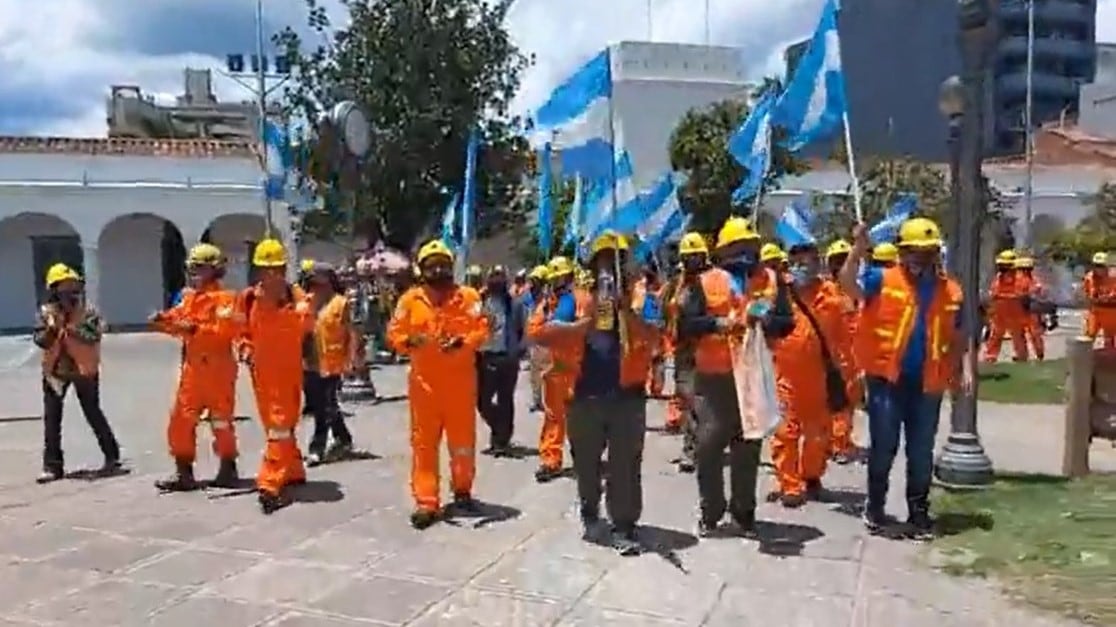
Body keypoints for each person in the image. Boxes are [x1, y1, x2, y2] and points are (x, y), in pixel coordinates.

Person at [837, 218, 970, 540]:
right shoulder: (880, 279)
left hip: (929, 383)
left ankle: (919, 512)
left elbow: (960, 336)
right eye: (913, 252)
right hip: (886, 381)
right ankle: (876, 507)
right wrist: (857, 248)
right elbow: (847, 285)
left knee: (921, 451)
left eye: (927, 252)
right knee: (884, 447)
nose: (920, 259)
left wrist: (964, 370)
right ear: (901, 252)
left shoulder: (950, 290)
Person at [529, 232, 658, 555]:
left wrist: (626, 311)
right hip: (584, 395)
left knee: (625, 464)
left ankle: (624, 525)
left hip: (627, 395)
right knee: (586, 463)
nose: (609, 268)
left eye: (615, 260)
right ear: (593, 264)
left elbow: (658, 334)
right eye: (603, 260)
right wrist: (580, 326)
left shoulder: (641, 296)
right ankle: (589, 508)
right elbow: (542, 332)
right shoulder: (576, 297)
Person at [677, 218, 794, 536]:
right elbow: (686, 325)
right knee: (708, 445)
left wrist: (767, 318)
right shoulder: (705, 282)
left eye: (749, 247)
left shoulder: (771, 280)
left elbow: (787, 322)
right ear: (723, 250)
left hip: (754, 377)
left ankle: (744, 515)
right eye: (737, 247)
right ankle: (711, 512)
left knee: (748, 448)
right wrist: (717, 325)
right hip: (715, 378)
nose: (744, 253)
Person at [387, 240, 489, 529]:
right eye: (432, 265)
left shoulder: (468, 297)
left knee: (463, 446)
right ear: (422, 269)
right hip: (424, 388)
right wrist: (409, 341)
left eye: (443, 264)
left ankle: (462, 492)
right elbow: (394, 334)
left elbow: (481, 329)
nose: (439, 269)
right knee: (424, 447)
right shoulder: (409, 300)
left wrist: (463, 342)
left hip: (460, 385)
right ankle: (426, 502)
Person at [150, 243, 240, 491]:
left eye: (200, 268)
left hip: (218, 368)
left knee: (221, 421)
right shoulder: (189, 298)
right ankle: (183, 472)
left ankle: (228, 467)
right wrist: (162, 320)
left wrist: (191, 330)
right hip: (193, 370)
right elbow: (176, 320)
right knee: (181, 420)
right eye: (192, 269)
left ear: (215, 270)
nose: (194, 274)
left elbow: (223, 333)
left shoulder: (226, 299)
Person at [236, 239, 314, 514]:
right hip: (261, 373)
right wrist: (245, 347)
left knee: (280, 425)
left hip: (287, 372)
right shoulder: (248, 298)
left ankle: (269, 484)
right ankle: (293, 470)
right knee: (275, 425)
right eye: (267, 269)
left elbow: (307, 325)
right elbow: (243, 330)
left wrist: (292, 309)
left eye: (277, 269)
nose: (273, 275)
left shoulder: (296, 297)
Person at [770, 240, 846, 507]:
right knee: (785, 432)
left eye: (807, 261)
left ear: (818, 264)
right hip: (784, 375)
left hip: (820, 377)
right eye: (797, 262)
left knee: (818, 433)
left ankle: (811, 477)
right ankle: (790, 486)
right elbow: (758, 312)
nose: (802, 267)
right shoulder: (780, 292)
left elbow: (844, 329)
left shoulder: (831, 294)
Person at [32, 264, 125, 484]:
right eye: (63, 287)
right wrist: (52, 329)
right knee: (52, 420)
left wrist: (69, 327)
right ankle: (52, 466)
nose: (69, 291)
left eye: (73, 286)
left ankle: (112, 456)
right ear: (54, 289)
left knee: (93, 412)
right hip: (56, 372)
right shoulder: (46, 313)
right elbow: (40, 341)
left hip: (84, 370)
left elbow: (94, 335)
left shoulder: (88, 312)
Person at [527, 256, 581, 483]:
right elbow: (533, 329)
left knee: (581, 418)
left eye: (562, 277)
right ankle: (550, 460)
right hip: (555, 369)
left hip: (578, 367)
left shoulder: (581, 300)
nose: (560, 282)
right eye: (556, 278)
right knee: (553, 417)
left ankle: (585, 459)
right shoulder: (548, 304)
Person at [661, 232, 710, 473]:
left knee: (704, 403)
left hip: (709, 350)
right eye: (687, 257)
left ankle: (704, 446)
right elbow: (664, 311)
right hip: (683, 352)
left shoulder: (713, 282)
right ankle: (692, 448)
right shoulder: (676, 284)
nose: (692, 261)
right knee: (688, 401)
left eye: (695, 257)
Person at [303, 261, 361, 466]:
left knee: (324, 407)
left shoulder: (341, 303)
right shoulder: (305, 303)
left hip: (333, 363)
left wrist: (352, 359)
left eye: (320, 281)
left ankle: (316, 448)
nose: (317, 286)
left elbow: (351, 333)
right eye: (313, 281)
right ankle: (343, 439)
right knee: (326, 406)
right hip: (309, 363)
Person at [476, 265, 527, 456]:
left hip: (507, 358)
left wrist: (519, 350)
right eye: (493, 276)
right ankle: (499, 428)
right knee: (482, 401)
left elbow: (523, 328)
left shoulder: (515, 304)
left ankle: (501, 439)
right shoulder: (480, 303)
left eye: (500, 277)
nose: (496, 281)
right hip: (486, 357)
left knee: (506, 399)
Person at [824, 239, 861, 465]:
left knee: (849, 402)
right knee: (836, 402)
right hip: (832, 356)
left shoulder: (857, 289)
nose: (841, 264)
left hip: (855, 356)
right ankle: (837, 444)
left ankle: (840, 440)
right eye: (836, 260)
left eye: (844, 259)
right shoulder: (825, 290)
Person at [522, 264, 550, 412]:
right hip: (533, 339)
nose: (533, 284)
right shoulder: (531, 297)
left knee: (545, 371)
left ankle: (547, 401)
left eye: (536, 281)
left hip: (545, 341)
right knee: (534, 371)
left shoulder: (548, 299)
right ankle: (536, 400)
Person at [1083, 252, 1116, 348]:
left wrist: (1109, 297)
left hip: (1111, 311)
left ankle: (1109, 360)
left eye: (1101, 266)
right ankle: (1085, 359)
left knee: (1109, 339)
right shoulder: (1089, 278)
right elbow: (1086, 294)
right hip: (1095, 311)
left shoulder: (1113, 278)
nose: (1098, 269)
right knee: (1089, 336)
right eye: (1096, 266)